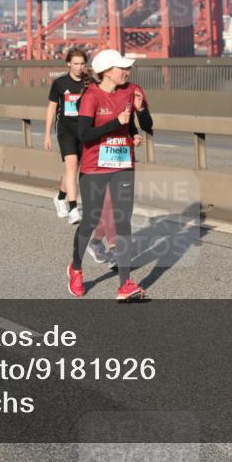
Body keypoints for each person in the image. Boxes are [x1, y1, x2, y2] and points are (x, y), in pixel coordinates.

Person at [68, 49, 153, 301]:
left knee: (123, 221)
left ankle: (125, 283)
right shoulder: (90, 96)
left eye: (127, 68)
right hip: (94, 167)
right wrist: (116, 122)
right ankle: (75, 268)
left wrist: (139, 116)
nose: (126, 72)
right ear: (106, 71)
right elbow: (85, 135)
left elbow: (148, 125)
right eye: (121, 68)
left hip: (123, 164)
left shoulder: (132, 90)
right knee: (90, 221)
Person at [45, 48, 91, 225]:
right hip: (66, 131)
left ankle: (60, 197)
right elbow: (51, 108)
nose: (79, 67)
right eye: (76, 64)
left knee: (74, 169)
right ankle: (73, 208)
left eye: (82, 64)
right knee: (72, 167)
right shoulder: (60, 83)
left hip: (84, 131)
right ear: (68, 64)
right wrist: (47, 134)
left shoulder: (90, 84)